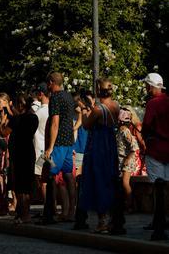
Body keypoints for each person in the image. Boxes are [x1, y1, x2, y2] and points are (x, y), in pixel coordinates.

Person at [77, 79, 119, 233]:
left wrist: (83, 110)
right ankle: (113, 219)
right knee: (110, 178)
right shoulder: (116, 106)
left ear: (99, 91)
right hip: (110, 144)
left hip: (98, 145)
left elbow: (86, 125)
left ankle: (103, 221)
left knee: (98, 179)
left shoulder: (98, 109)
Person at [43, 71, 76, 221]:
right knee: (69, 176)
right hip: (69, 141)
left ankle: (51, 212)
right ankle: (71, 212)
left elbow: (55, 123)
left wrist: (50, 147)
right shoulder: (68, 96)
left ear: (51, 82)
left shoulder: (55, 98)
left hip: (59, 143)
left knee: (50, 174)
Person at [141, 72, 169, 241]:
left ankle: (158, 220)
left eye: (147, 86)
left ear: (151, 86)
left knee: (157, 187)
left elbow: (146, 126)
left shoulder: (153, 103)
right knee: (166, 186)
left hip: (156, 149)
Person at [8, 93, 38, 225]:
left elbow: (4, 131)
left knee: (20, 186)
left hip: (19, 153)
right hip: (29, 152)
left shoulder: (18, 119)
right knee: (27, 185)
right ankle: (25, 213)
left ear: (21, 104)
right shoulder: (34, 118)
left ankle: (23, 214)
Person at [117, 107, 141, 211]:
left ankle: (129, 206)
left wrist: (128, 158)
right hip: (121, 160)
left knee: (125, 183)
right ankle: (126, 204)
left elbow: (134, 147)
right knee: (121, 183)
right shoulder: (119, 131)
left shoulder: (125, 131)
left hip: (127, 161)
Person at [32, 84, 50, 202]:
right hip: (50, 148)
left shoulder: (38, 112)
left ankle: (47, 208)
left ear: (41, 94)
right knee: (49, 179)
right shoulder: (52, 110)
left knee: (42, 179)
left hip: (39, 150)